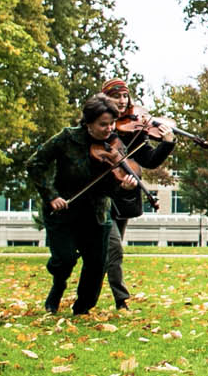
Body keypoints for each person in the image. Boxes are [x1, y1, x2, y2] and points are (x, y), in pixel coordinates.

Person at [30, 94, 139, 315]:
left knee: (97, 263)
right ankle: (58, 285)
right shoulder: (67, 138)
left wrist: (124, 188)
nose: (109, 129)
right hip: (64, 209)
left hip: (96, 212)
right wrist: (51, 195)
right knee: (64, 259)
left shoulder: (114, 145)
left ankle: (83, 307)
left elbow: (111, 187)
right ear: (88, 123)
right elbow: (36, 163)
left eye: (111, 124)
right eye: (103, 124)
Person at [98, 78, 176, 310]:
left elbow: (149, 161)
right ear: (105, 98)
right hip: (100, 198)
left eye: (125, 96)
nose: (122, 101)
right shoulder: (97, 125)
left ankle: (87, 293)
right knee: (113, 249)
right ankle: (121, 300)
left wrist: (167, 143)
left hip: (124, 195)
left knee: (106, 253)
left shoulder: (135, 129)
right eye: (116, 96)